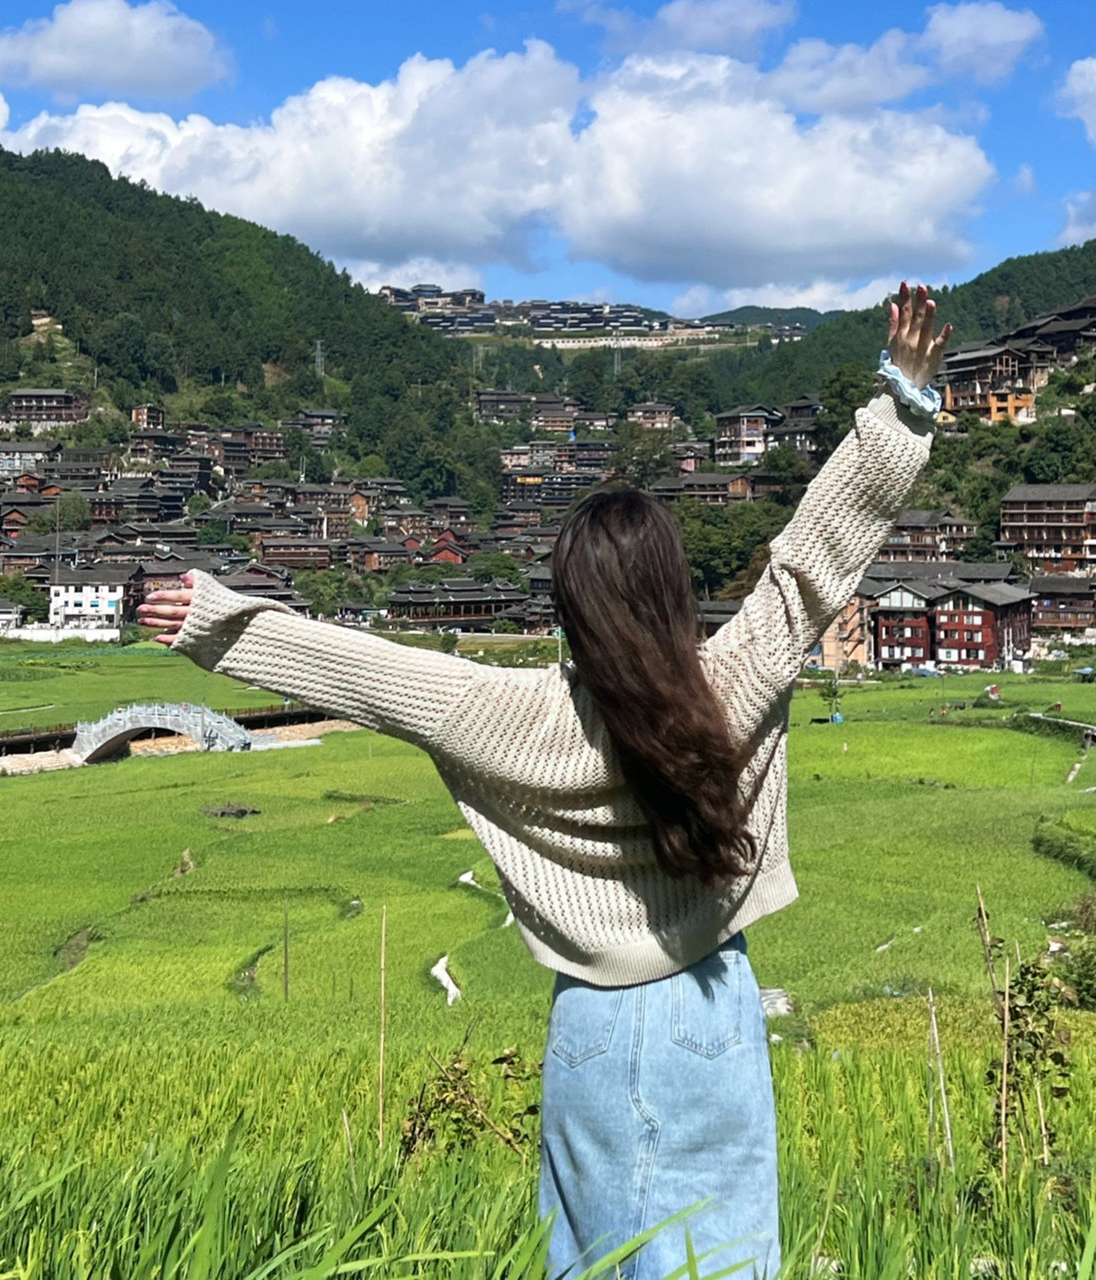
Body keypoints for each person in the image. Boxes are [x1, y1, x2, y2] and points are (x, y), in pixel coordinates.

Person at [140, 284, 950, 1276]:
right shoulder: (734, 675)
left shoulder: (513, 712)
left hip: (590, 1028)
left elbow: (364, 671)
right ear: (671, 590)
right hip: (708, 1010)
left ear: (567, 602)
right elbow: (811, 558)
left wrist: (215, 621)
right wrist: (901, 398)